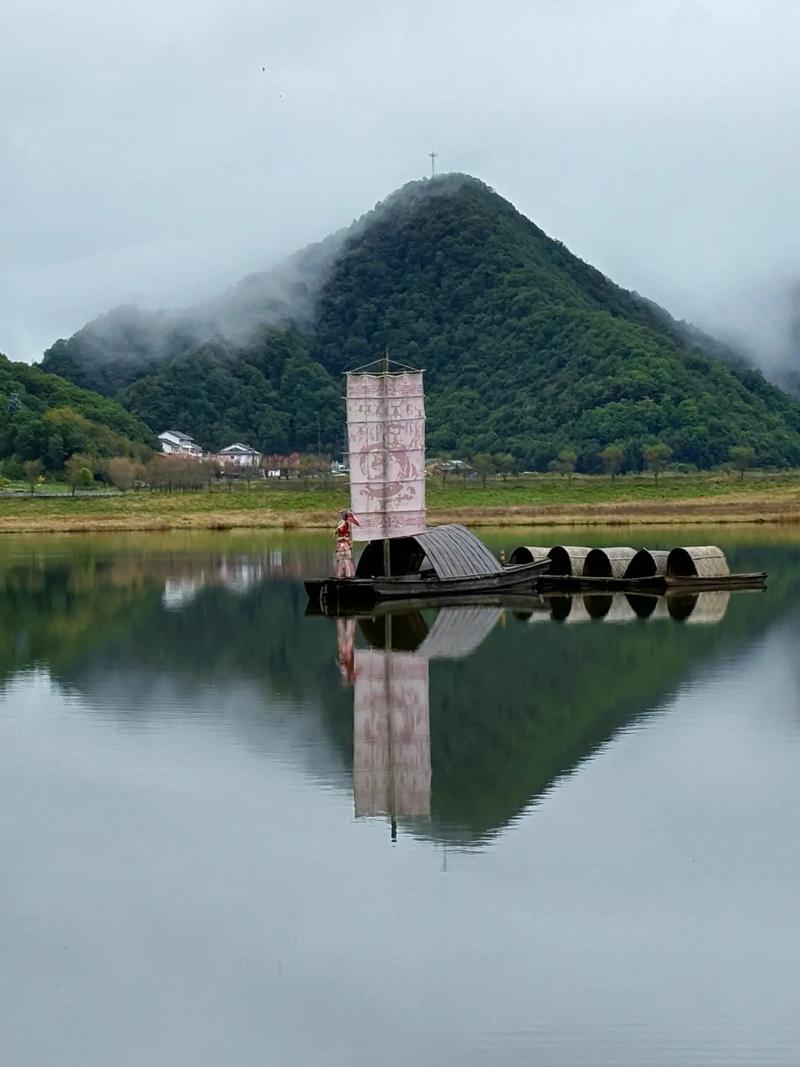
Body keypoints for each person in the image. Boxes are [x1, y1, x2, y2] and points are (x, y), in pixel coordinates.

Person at [334, 510, 360, 578]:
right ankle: (346, 574)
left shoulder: (345, 524)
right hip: (344, 543)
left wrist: (345, 538)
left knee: (346, 559)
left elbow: (340, 534)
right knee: (344, 559)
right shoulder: (345, 523)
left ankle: (346, 574)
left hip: (344, 544)